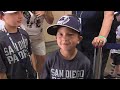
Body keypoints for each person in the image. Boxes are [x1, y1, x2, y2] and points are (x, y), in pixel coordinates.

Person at [40, 15, 90, 79]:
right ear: (56, 38)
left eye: (70, 34)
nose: (64, 38)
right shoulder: (50, 59)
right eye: (61, 34)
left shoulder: (85, 62)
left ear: (79, 39)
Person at [72, 11, 115, 79]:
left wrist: (101, 37)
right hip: (80, 42)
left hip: (96, 45)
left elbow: (109, 15)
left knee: (93, 74)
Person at [0, 11, 36, 79]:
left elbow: (30, 54)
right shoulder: (1, 40)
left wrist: (34, 71)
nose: (20, 16)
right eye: (15, 13)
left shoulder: (24, 33)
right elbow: (1, 73)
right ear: (2, 16)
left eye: (21, 12)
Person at [21, 11, 54, 78]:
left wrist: (45, 13)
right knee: (31, 63)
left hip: (38, 38)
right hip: (24, 38)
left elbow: (51, 21)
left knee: (42, 62)